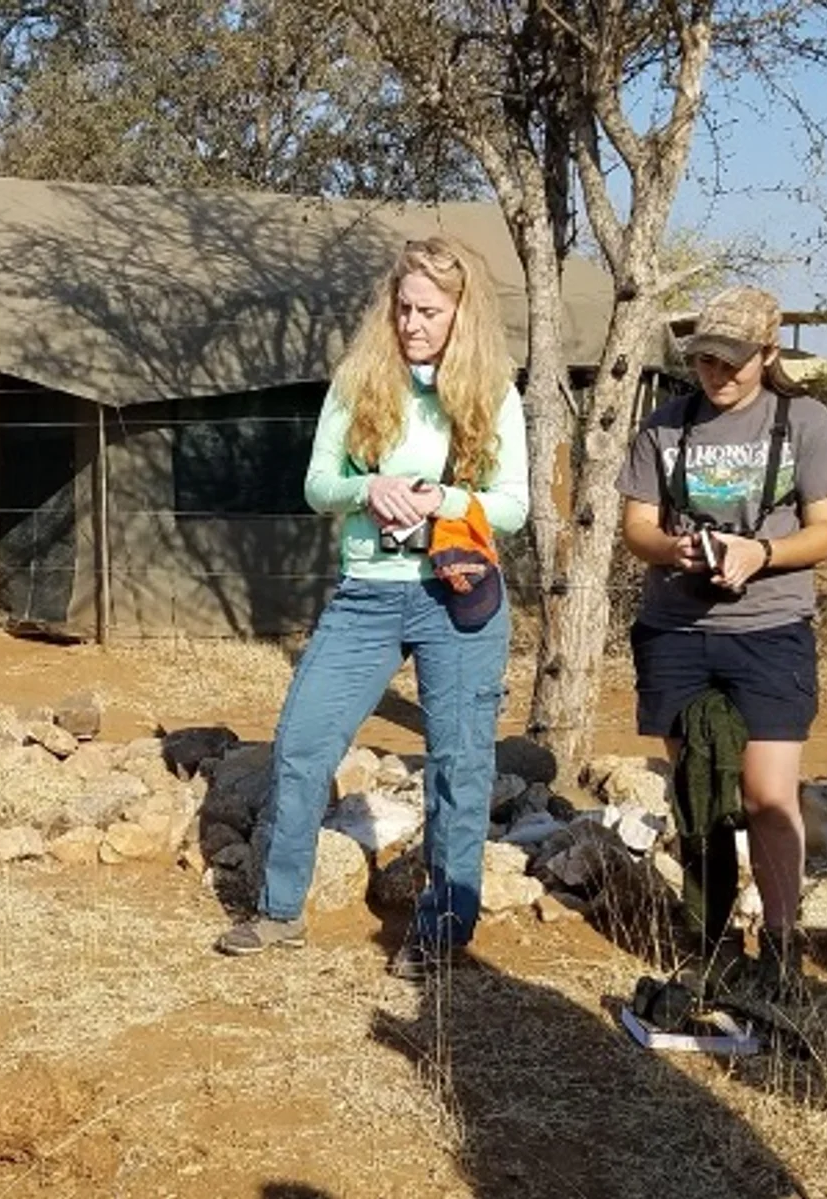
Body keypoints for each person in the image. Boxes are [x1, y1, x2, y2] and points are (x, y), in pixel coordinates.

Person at [215, 235, 529, 978]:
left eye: (429, 310)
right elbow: (318, 485)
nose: (412, 321)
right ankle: (279, 911)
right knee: (301, 743)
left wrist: (438, 498)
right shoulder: (359, 381)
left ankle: (443, 928)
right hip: (367, 593)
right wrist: (371, 487)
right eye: (403, 307)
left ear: (462, 316)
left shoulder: (494, 391)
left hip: (457, 593)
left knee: (459, 762)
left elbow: (511, 507)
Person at [618, 285, 827, 999]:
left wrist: (760, 552)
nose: (717, 374)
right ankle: (711, 940)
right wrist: (678, 551)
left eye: (732, 360)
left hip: (772, 631)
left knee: (767, 793)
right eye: (705, 361)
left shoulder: (806, 422)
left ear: (768, 352)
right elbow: (637, 528)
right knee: (700, 789)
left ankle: (780, 947)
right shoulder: (663, 426)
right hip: (676, 631)